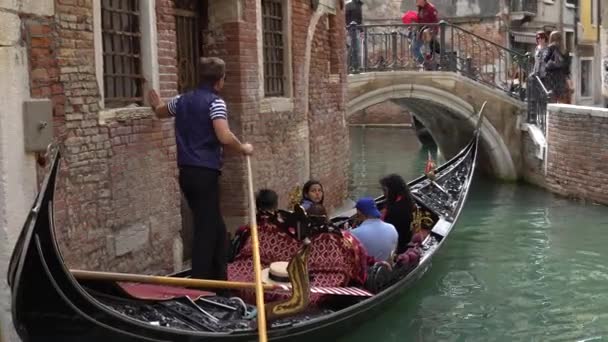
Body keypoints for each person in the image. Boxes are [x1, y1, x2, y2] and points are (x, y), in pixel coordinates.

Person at [148, 57, 253, 281]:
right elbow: (223, 135)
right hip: (205, 173)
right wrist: (242, 147)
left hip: (187, 173)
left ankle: (220, 276)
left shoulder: (181, 100)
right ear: (220, 81)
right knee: (206, 228)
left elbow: (159, 112)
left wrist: (154, 103)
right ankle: (201, 284)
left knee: (215, 223)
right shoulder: (216, 103)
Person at [350, 197, 398, 263]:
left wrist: (350, 230)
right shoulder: (392, 228)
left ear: (359, 213)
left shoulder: (354, 234)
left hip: (368, 271)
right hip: (387, 270)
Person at [379, 174, 416, 254]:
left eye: (385, 190)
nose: (383, 194)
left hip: (397, 247)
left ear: (393, 190)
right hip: (405, 239)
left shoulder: (396, 210)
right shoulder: (406, 200)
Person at [544, 31, 572, 104]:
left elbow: (545, 59)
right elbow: (567, 65)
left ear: (551, 39)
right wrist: (568, 77)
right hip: (561, 77)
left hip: (552, 77)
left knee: (552, 97)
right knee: (561, 98)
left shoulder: (550, 48)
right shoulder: (565, 50)